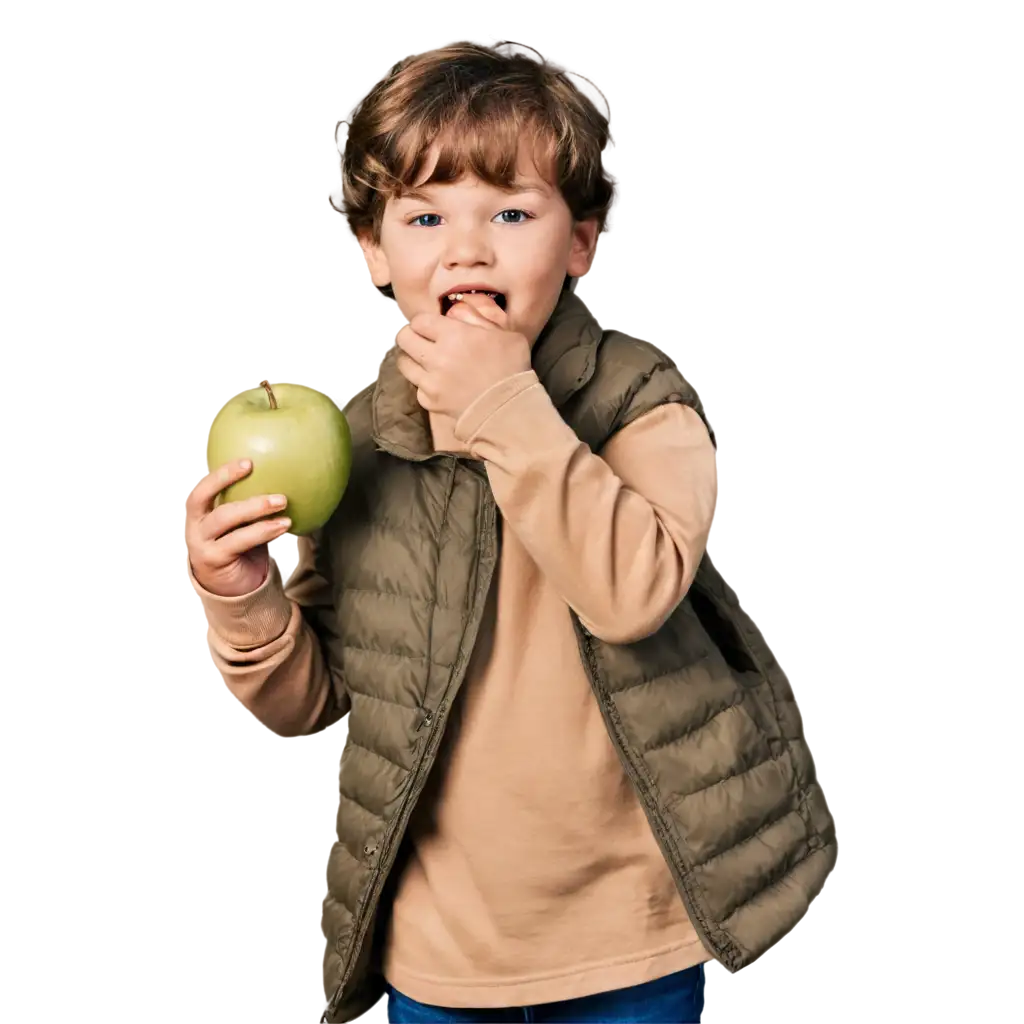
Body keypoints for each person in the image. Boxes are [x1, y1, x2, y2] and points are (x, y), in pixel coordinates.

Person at [183, 44, 834, 1024]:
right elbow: (320, 709)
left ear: (579, 243)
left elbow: (631, 592)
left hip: (625, 941)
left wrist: (503, 405)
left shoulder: (644, 411)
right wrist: (243, 596)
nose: (468, 248)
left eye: (513, 213)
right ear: (373, 249)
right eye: (425, 216)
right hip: (438, 953)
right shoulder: (357, 441)